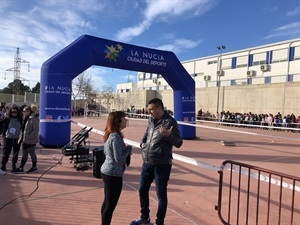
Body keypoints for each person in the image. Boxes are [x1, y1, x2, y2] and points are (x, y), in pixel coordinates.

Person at [130, 98, 183, 225]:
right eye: (149, 110)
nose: (150, 112)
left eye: (152, 109)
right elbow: (148, 133)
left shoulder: (170, 122)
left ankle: (159, 222)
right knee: (142, 190)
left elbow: (179, 143)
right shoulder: (151, 120)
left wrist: (168, 136)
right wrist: (143, 143)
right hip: (147, 162)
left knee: (161, 195)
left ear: (160, 108)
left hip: (162, 164)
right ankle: (145, 217)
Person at [100, 111, 132, 225]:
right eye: (124, 119)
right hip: (113, 174)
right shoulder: (116, 137)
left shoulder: (111, 135)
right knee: (110, 205)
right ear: (118, 121)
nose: (126, 121)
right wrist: (128, 149)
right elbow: (118, 159)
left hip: (108, 172)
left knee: (107, 202)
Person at [15, 104, 39, 173]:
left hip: (31, 140)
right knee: (24, 153)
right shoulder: (24, 118)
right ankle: (21, 168)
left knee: (32, 153)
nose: (23, 112)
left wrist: (29, 136)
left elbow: (36, 130)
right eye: (23, 111)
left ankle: (34, 167)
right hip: (24, 139)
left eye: (24, 111)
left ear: (29, 111)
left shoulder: (33, 119)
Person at [0, 106, 23, 175]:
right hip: (8, 138)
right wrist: (3, 133)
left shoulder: (20, 119)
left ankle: (14, 165)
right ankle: (3, 165)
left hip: (17, 138)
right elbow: (2, 126)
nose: (13, 113)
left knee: (16, 152)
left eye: (15, 112)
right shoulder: (7, 119)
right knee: (6, 152)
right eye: (12, 112)